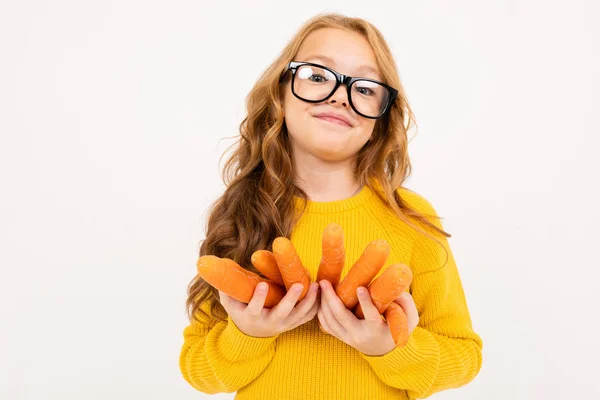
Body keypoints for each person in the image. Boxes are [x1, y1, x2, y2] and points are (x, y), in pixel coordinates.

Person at [179, 12, 483, 400]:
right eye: (318, 76)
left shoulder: (410, 217)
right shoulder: (242, 209)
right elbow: (198, 372)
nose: (341, 95)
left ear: (382, 115)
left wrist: (390, 348)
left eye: (366, 87)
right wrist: (249, 334)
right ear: (280, 92)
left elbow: (464, 354)